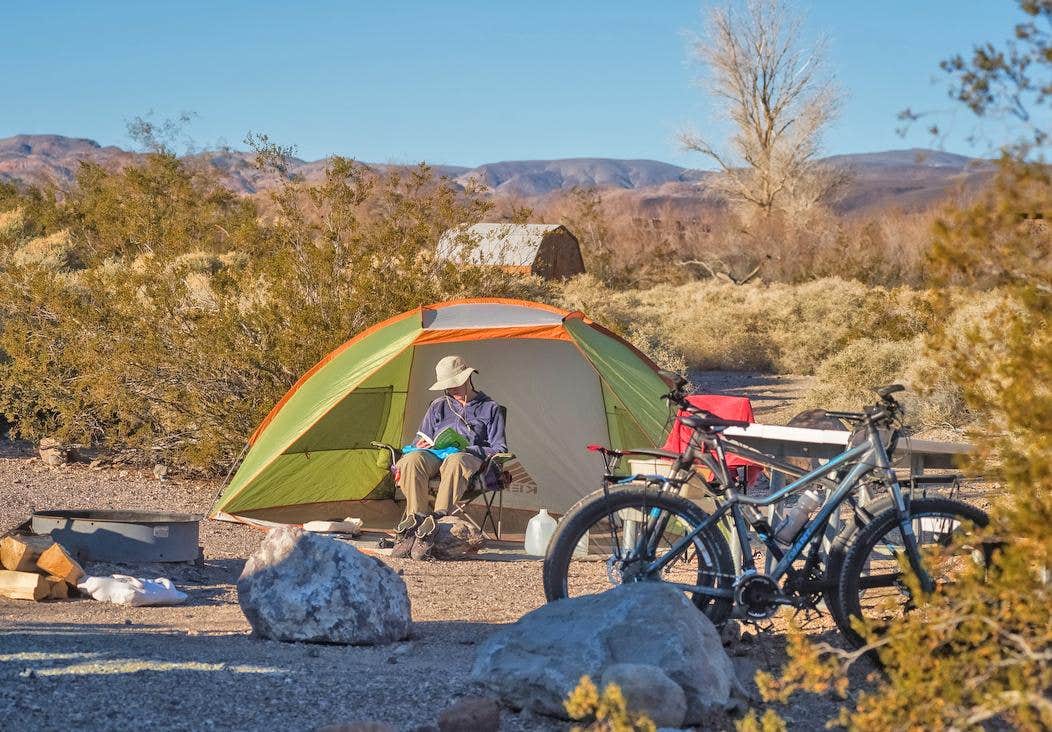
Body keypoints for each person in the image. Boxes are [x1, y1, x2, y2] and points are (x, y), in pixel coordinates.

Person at [395, 355, 507, 519]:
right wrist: (419, 445)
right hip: (436, 455)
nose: (451, 389)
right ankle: (416, 519)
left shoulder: (490, 408)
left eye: (455, 383)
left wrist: (467, 449)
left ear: (467, 377)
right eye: (447, 386)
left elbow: (499, 448)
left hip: (467, 458)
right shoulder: (438, 405)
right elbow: (421, 438)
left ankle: (438, 518)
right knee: (412, 459)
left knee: (456, 460)